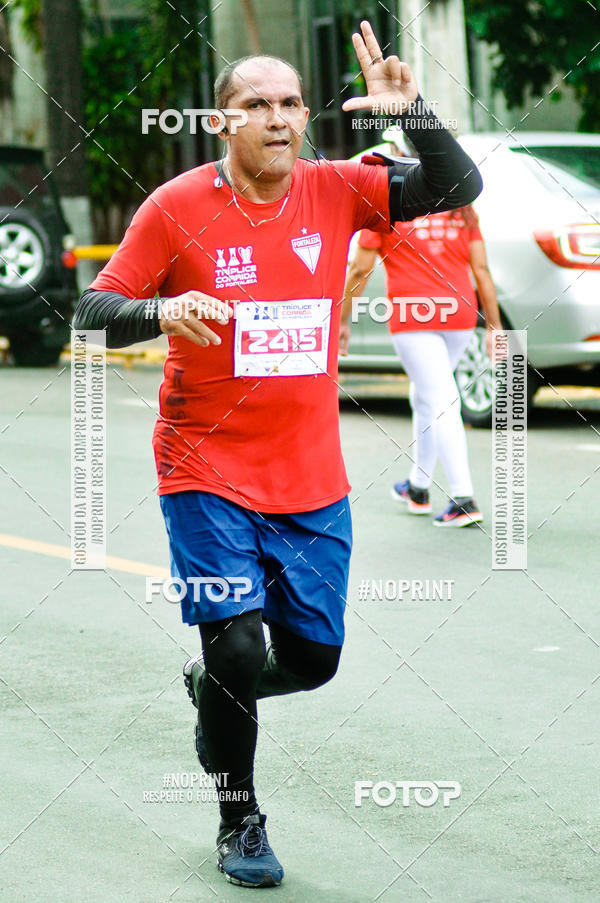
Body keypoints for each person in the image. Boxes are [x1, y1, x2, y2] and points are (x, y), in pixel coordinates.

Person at [73, 21, 482, 887]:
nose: (278, 116)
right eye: (255, 103)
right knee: (233, 649)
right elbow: (91, 309)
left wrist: (415, 112)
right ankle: (240, 818)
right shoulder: (176, 206)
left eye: (291, 102)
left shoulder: (340, 189)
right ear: (222, 124)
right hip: (204, 469)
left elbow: (457, 183)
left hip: (308, 476)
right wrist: (157, 314)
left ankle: (216, 687)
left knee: (312, 659)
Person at [340, 126, 500, 527]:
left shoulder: (389, 199)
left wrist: (342, 321)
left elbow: (359, 268)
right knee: (426, 393)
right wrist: (494, 325)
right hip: (459, 314)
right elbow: (480, 267)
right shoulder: (462, 204)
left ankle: (463, 498)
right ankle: (418, 485)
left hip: (414, 316)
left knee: (439, 395)